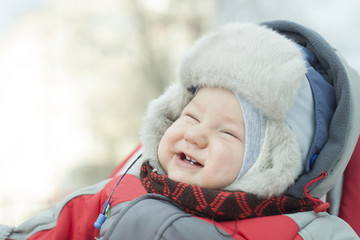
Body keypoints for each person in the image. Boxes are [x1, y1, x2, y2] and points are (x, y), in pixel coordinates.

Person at [1, 20, 359, 240]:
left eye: (228, 133)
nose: (195, 135)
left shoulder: (305, 233)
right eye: (190, 117)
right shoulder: (119, 191)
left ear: (270, 164)